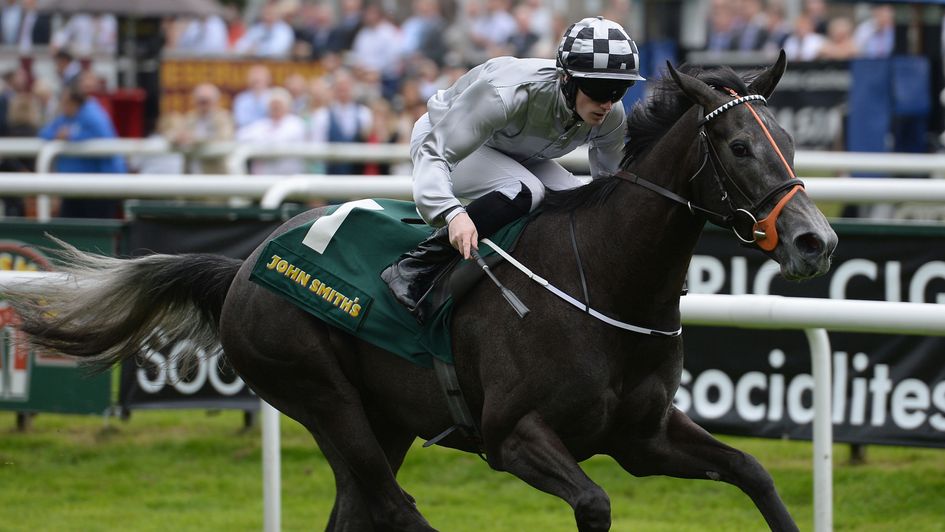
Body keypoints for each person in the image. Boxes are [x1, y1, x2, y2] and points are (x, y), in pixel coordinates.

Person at [381, 16, 644, 321]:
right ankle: (415, 266)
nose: (609, 103)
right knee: (525, 189)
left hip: (513, 150)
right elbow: (435, 153)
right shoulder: (506, 91)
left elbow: (609, 188)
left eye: (620, 89)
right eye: (600, 89)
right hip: (441, 139)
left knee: (578, 198)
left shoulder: (610, 114)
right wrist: (451, 213)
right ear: (566, 80)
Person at [38, 86, 127, 218]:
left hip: (101, 185)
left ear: (74, 102)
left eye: (64, 102)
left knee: (95, 230)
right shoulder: (66, 117)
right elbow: (45, 133)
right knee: (69, 228)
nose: (62, 106)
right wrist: (60, 135)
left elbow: (104, 138)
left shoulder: (94, 115)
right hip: (74, 185)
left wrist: (71, 136)